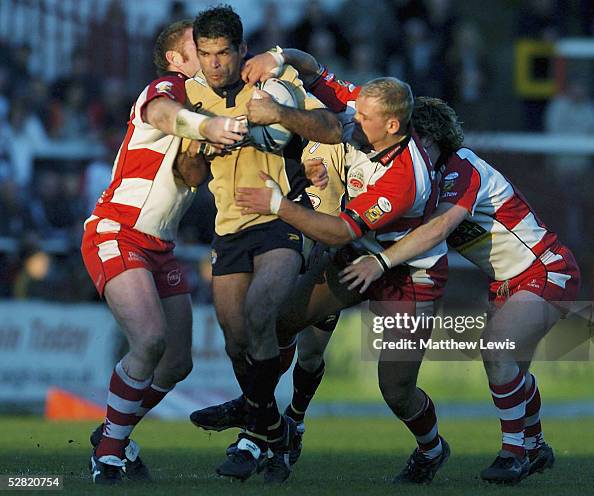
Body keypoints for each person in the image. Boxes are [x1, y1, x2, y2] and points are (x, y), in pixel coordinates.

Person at [235, 49, 450, 484]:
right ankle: (269, 426)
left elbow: (337, 232)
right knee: (280, 324)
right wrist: (277, 57)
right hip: (356, 259)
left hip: (407, 272)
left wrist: (277, 204)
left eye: (365, 117)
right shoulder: (366, 114)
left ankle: (433, 448)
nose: (353, 120)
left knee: (396, 391)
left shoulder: (405, 175)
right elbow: (313, 71)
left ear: (393, 125)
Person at [340, 96, 581, 484]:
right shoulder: (425, 178)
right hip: (507, 282)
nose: (409, 148)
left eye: (415, 139)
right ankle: (535, 447)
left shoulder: (461, 168)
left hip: (546, 268)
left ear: (432, 138)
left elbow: (436, 229)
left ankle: (513, 455)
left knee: (495, 350)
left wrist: (381, 261)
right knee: (511, 369)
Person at [80, 19, 247, 485]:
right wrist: (208, 125)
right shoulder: (168, 87)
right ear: (177, 57)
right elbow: (158, 112)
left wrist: (205, 139)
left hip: (160, 246)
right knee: (150, 340)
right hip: (117, 231)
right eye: (200, 47)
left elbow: (190, 178)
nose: (212, 54)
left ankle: (113, 431)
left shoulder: (200, 103)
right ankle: (109, 454)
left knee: (178, 362)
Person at [184, 6, 343, 484]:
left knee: (261, 316)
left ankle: (255, 434)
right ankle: (273, 430)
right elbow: (189, 176)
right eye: (205, 54)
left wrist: (278, 114)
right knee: (237, 342)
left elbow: (332, 129)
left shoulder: (276, 80)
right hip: (229, 228)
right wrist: (202, 146)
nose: (213, 64)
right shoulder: (190, 95)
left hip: (280, 217)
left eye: (222, 53)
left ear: (241, 50)